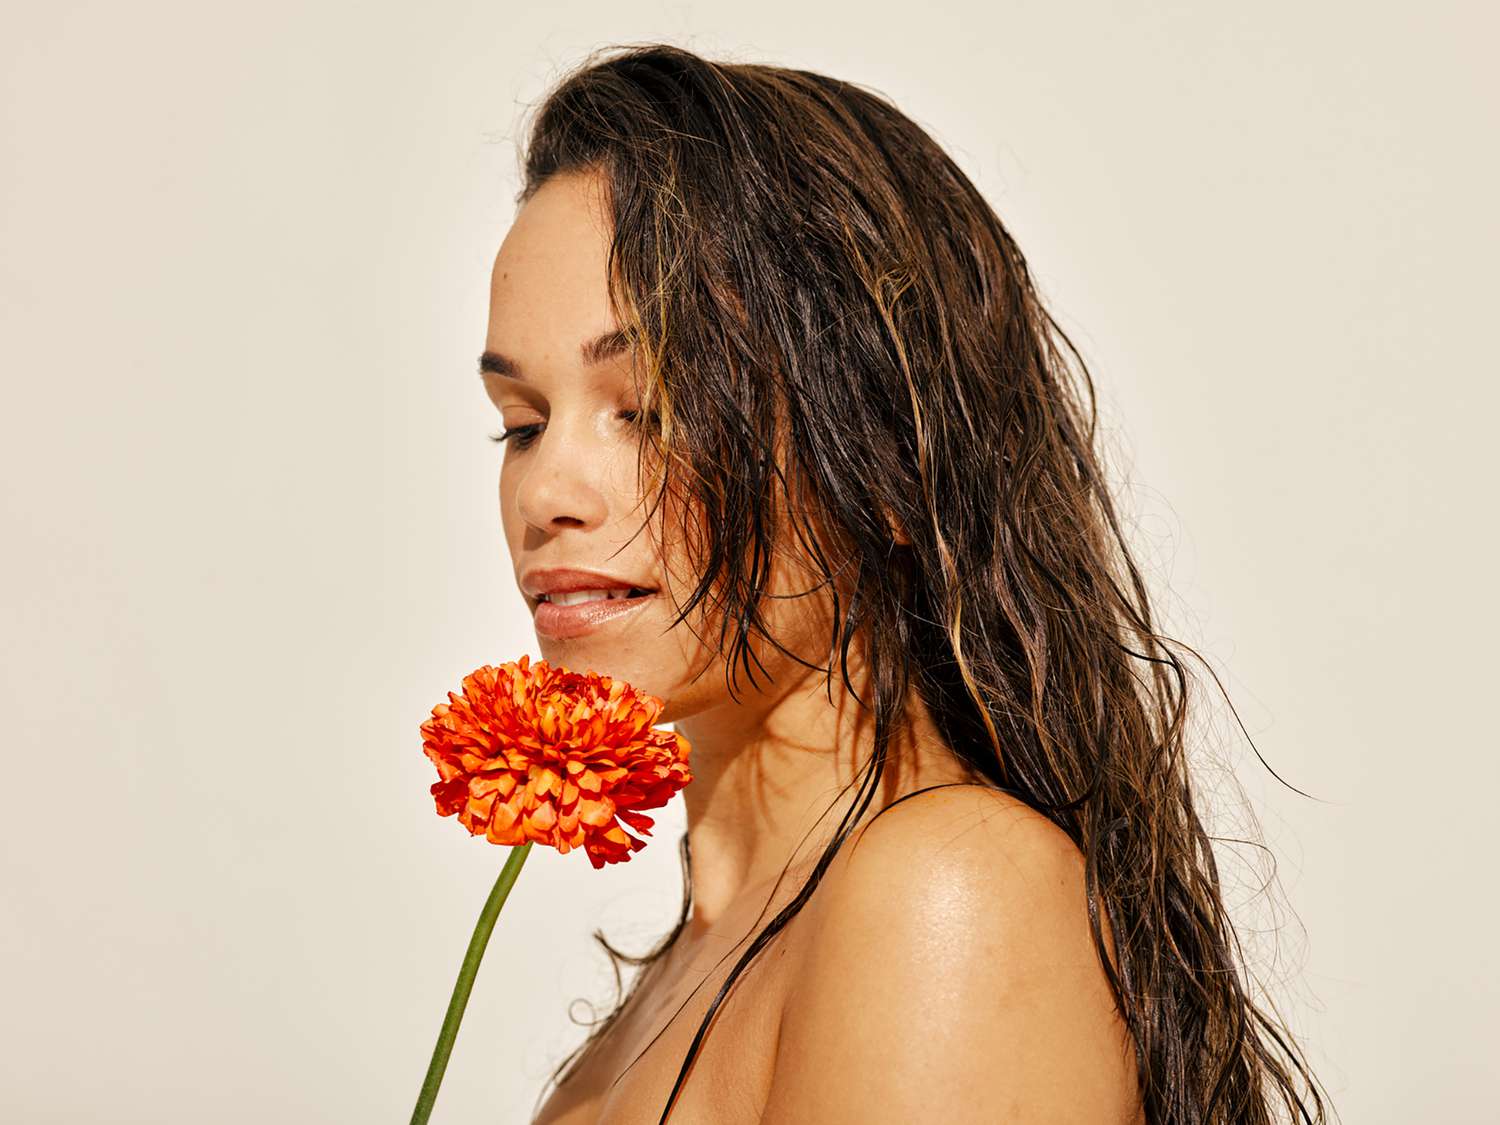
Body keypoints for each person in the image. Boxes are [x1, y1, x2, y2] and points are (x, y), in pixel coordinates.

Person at [478, 42, 1330, 1125]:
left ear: (882, 455)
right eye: (520, 424)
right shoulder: (706, 953)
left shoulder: (946, 895)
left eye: (648, 408)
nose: (546, 488)